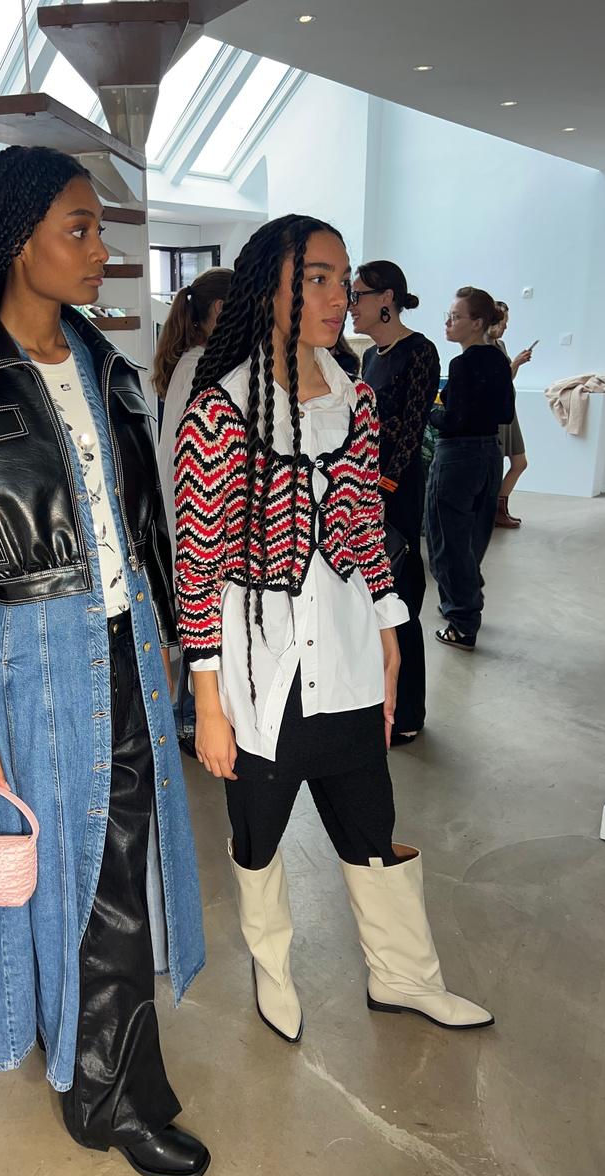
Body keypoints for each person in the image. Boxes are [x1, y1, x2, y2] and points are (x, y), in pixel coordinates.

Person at [0, 146, 209, 1176]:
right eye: (80, 229)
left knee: (124, 863)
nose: (102, 251)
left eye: (99, 229)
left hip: (128, 642)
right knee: (81, 872)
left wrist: (174, 638)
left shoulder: (104, 366)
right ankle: (106, 1092)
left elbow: (143, 521)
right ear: (21, 241)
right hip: (34, 649)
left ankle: (103, 1067)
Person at [173, 215, 493, 1047]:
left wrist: (389, 628)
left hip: (347, 648)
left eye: (341, 280)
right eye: (315, 277)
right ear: (268, 289)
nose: (335, 297)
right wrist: (207, 703)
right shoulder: (218, 411)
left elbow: (362, 527)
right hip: (262, 667)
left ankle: (404, 978)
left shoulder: (356, 398)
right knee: (258, 834)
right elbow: (197, 568)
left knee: (369, 821)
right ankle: (273, 972)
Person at [351, 260, 440, 745]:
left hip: (396, 492)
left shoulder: (420, 351)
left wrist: (381, 488)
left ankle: (407, 713)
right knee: (372, 602)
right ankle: (380, 701)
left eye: (358, 295)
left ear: (386, 298)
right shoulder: (370, 356)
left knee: (399, 599)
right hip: (369, 492)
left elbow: (410, 430)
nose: (351, 305)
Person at [152, 268, 233, 750]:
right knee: (200, 617)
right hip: (192, 516)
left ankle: (190, 715)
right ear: (221, 310)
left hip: (185, 512)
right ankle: (188, 719)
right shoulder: (203, 365)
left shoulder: (191, 362)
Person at [426, 288, 515, 651]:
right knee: (472, 538)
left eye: (455, 316)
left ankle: (463, 621)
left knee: (447, 541)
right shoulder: (498, 360)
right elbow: (505, 413)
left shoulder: (462, 365)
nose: (448, 322)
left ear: (477, 323)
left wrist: (428, 411)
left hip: (458, 458)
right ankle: (460, 601)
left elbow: (453, 421)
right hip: (489, 455)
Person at [488, 301, 533, 528]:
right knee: (497, 464)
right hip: (497, 413)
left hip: (508, 410)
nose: (505, 327)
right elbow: (496, 382)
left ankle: (499, 508)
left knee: (519, 462)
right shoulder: (483, 348)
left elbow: (507, 379)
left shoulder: (500, 344)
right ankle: (495, 511)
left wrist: (516, 364)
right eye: (503, 323)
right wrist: (515, 363)